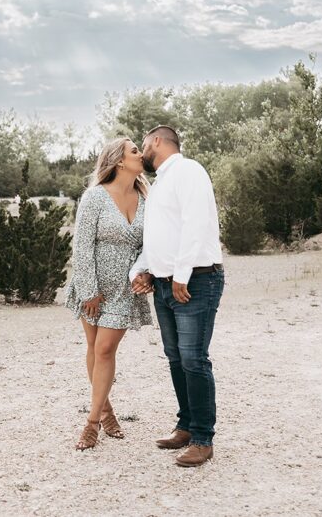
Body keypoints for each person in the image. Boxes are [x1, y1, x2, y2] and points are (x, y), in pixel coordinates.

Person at [130, 125, 224, 467]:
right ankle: (186, 425)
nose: (142, 154)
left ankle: (203, 438)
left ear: (157, 141)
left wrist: (181, 274)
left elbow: (196, 224)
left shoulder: (188, 170)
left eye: (143, 146)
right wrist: (142, 271)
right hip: (166, 284)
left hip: (196, 281)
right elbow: (158, 238)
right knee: (175, 358)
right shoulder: (160, 184)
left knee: (194, 359)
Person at [64, 137, 153, 451]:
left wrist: (148, 273)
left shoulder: (146, 195)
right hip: (93, 288)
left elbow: (150, 244)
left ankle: (90, 424)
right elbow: (83, 247)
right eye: (134, 151)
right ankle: (105, 411)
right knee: (93, 347)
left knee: (104, 350)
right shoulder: (94, 197)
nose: (141, 155)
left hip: (125, 290)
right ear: (118, 161)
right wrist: (88, 289)